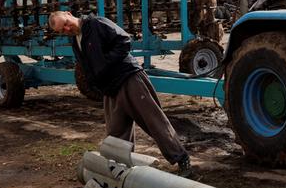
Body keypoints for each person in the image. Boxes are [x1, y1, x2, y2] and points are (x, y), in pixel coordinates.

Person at [48, 11, 192, 177]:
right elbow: (87, 67)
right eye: (62, 30)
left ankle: (182, 159)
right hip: (110, 88)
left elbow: (124, 41)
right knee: (116, 132)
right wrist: (95, 84)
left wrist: (105, 64)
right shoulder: (76, 41)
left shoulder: (96, 24)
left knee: (153, 122)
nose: (67, 29)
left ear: (69, 14)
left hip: (129, 78)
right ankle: (123, 171)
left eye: (66, 23)